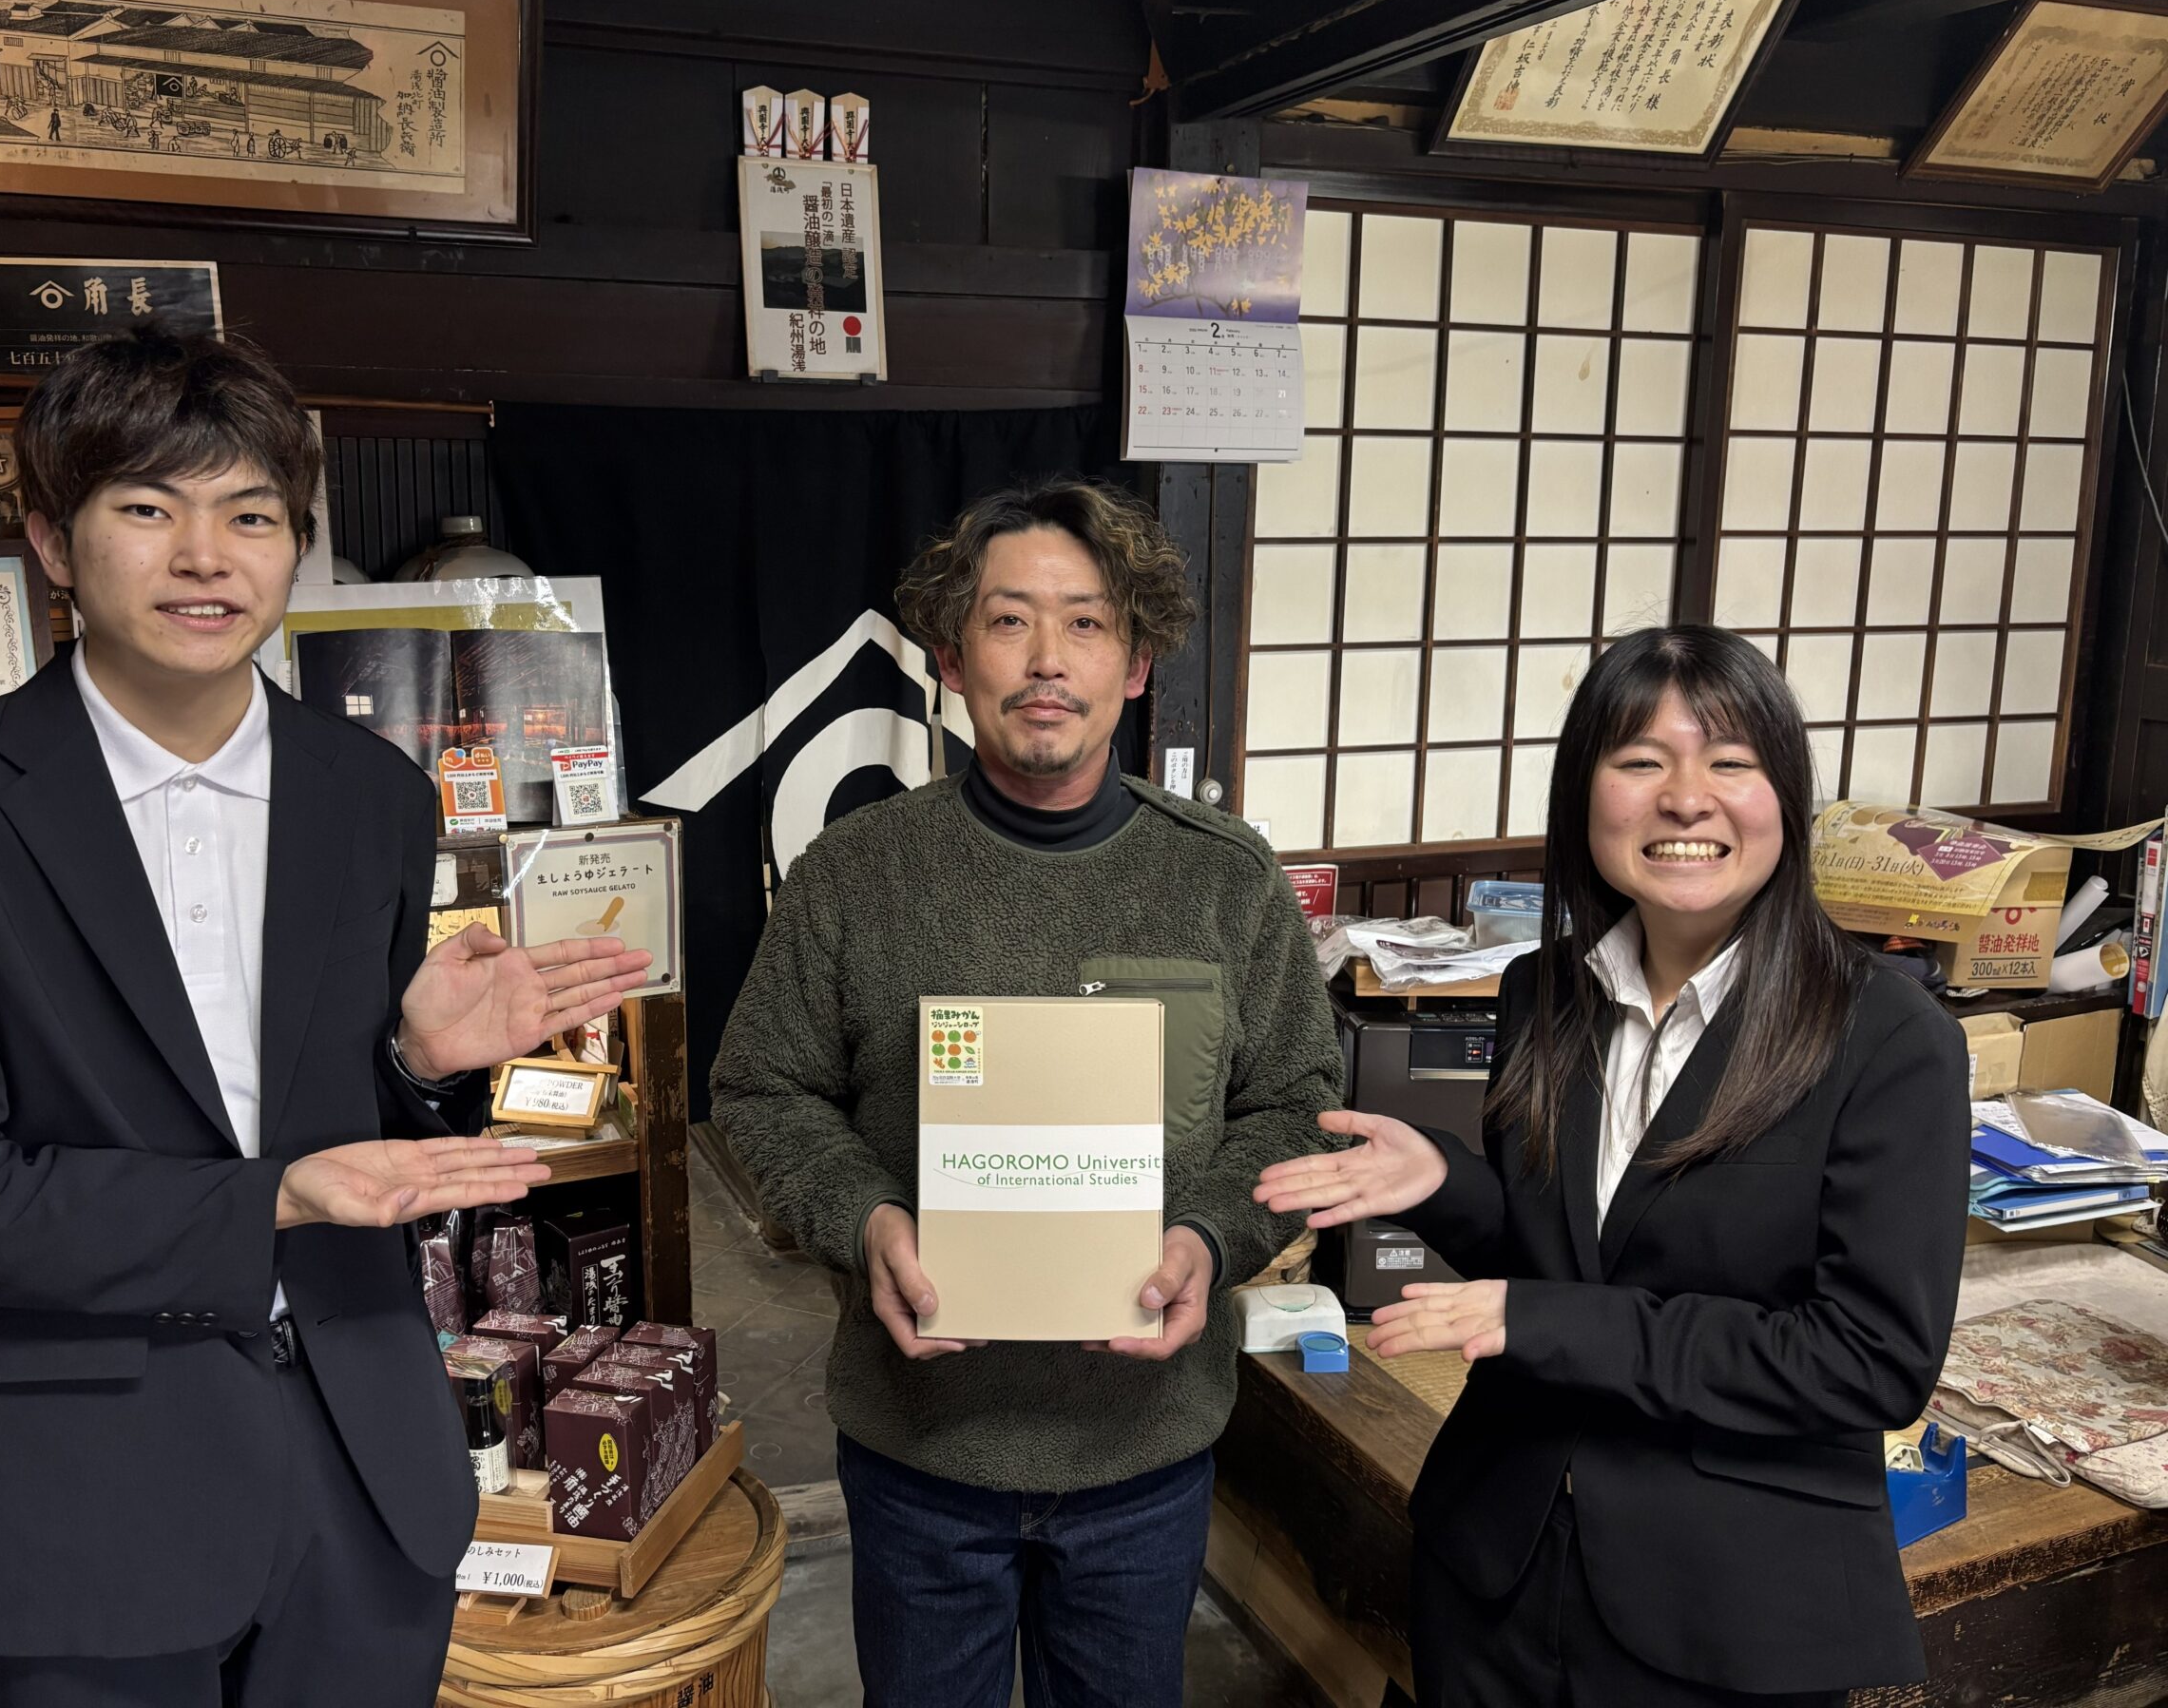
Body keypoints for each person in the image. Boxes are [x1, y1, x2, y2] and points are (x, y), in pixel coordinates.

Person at [0, 327, 651, 1706]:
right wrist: (269, 1200)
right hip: (82, 1495)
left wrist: (418, 1064)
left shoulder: (372, 797)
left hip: (364, 1476)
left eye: (251, 516)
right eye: (149, 509)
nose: (205, 557)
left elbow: (356, 1143)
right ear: (53, 540)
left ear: (295, 547)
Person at [710, 479, 1338, 1708]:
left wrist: (1212, 1237)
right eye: (1008, 621)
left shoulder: (1225, 881)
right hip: (920, 1446)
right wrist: (868, 1222)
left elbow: (1295, 1107)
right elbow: (763, 1088)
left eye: (1086, 623)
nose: (1047, 658)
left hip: (1143, 1448)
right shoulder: (858, 874)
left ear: (1136, 665)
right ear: (951, 660)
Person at [1257, 624, 1967, 1706]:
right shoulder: (1543, 992)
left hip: (1728, 1604)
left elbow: (1868, 1360)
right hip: (1496, 1563)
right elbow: (1558, 1262)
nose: (1685, 800)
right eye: (1640, 760)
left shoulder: (1889, 1038)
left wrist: (1548, 1323)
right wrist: (1443, 1183)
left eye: (1730, 762)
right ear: (1584, 793)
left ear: (1786, 794)